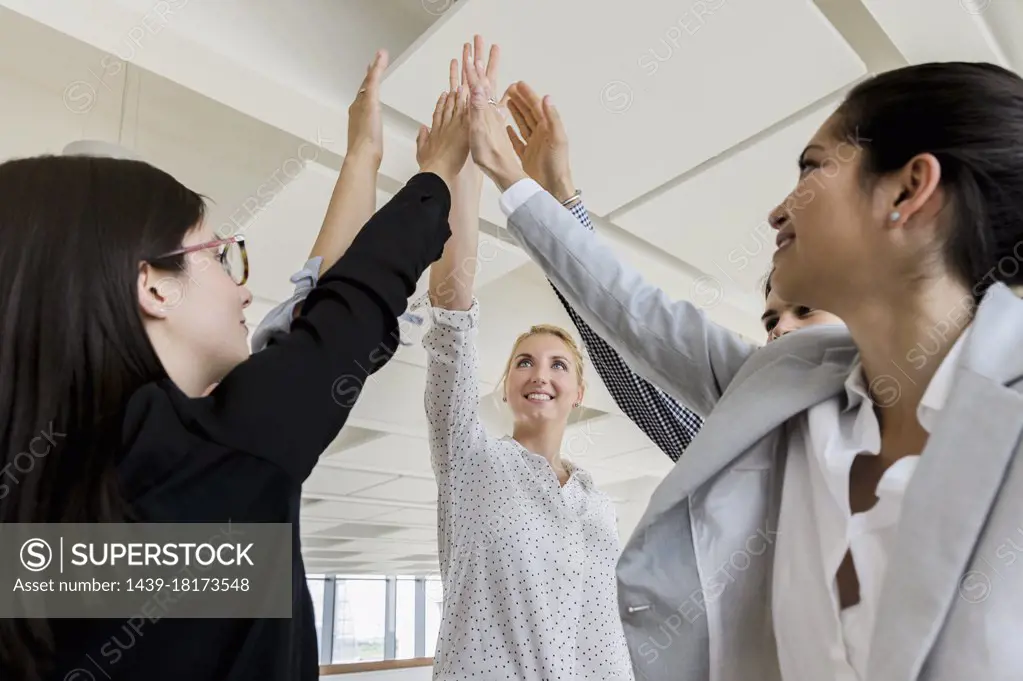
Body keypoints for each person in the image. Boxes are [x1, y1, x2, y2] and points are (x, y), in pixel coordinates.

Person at [467, 51, 1023, 681]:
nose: (777, 210)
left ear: (907, 188)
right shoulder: (790, 388)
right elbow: (635, 318)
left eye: (812, 168)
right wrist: (527, 188)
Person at [0, 49, 467, 681]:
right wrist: (439, 169)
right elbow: (347, 313)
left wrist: (363, 157)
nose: (244, 288)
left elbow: (314, 334)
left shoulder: (54, 514)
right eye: (221, 257)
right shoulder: (210, 458)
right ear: (155, 287)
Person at [420, 37, 633, 680]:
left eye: (559, 365)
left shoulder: (597, 501)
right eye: (524, 363)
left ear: (580, 392)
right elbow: (453, 321)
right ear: (506, 387)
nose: (540, 373)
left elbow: (604, 632)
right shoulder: (470, 458)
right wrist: (461, 169)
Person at [498, 79, 842, 461]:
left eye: (806, 311)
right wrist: (557, 196)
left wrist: (522, 185)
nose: (779, 329)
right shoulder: (753, 439)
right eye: (771, 320)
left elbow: (637, 319)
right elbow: (630, 344)